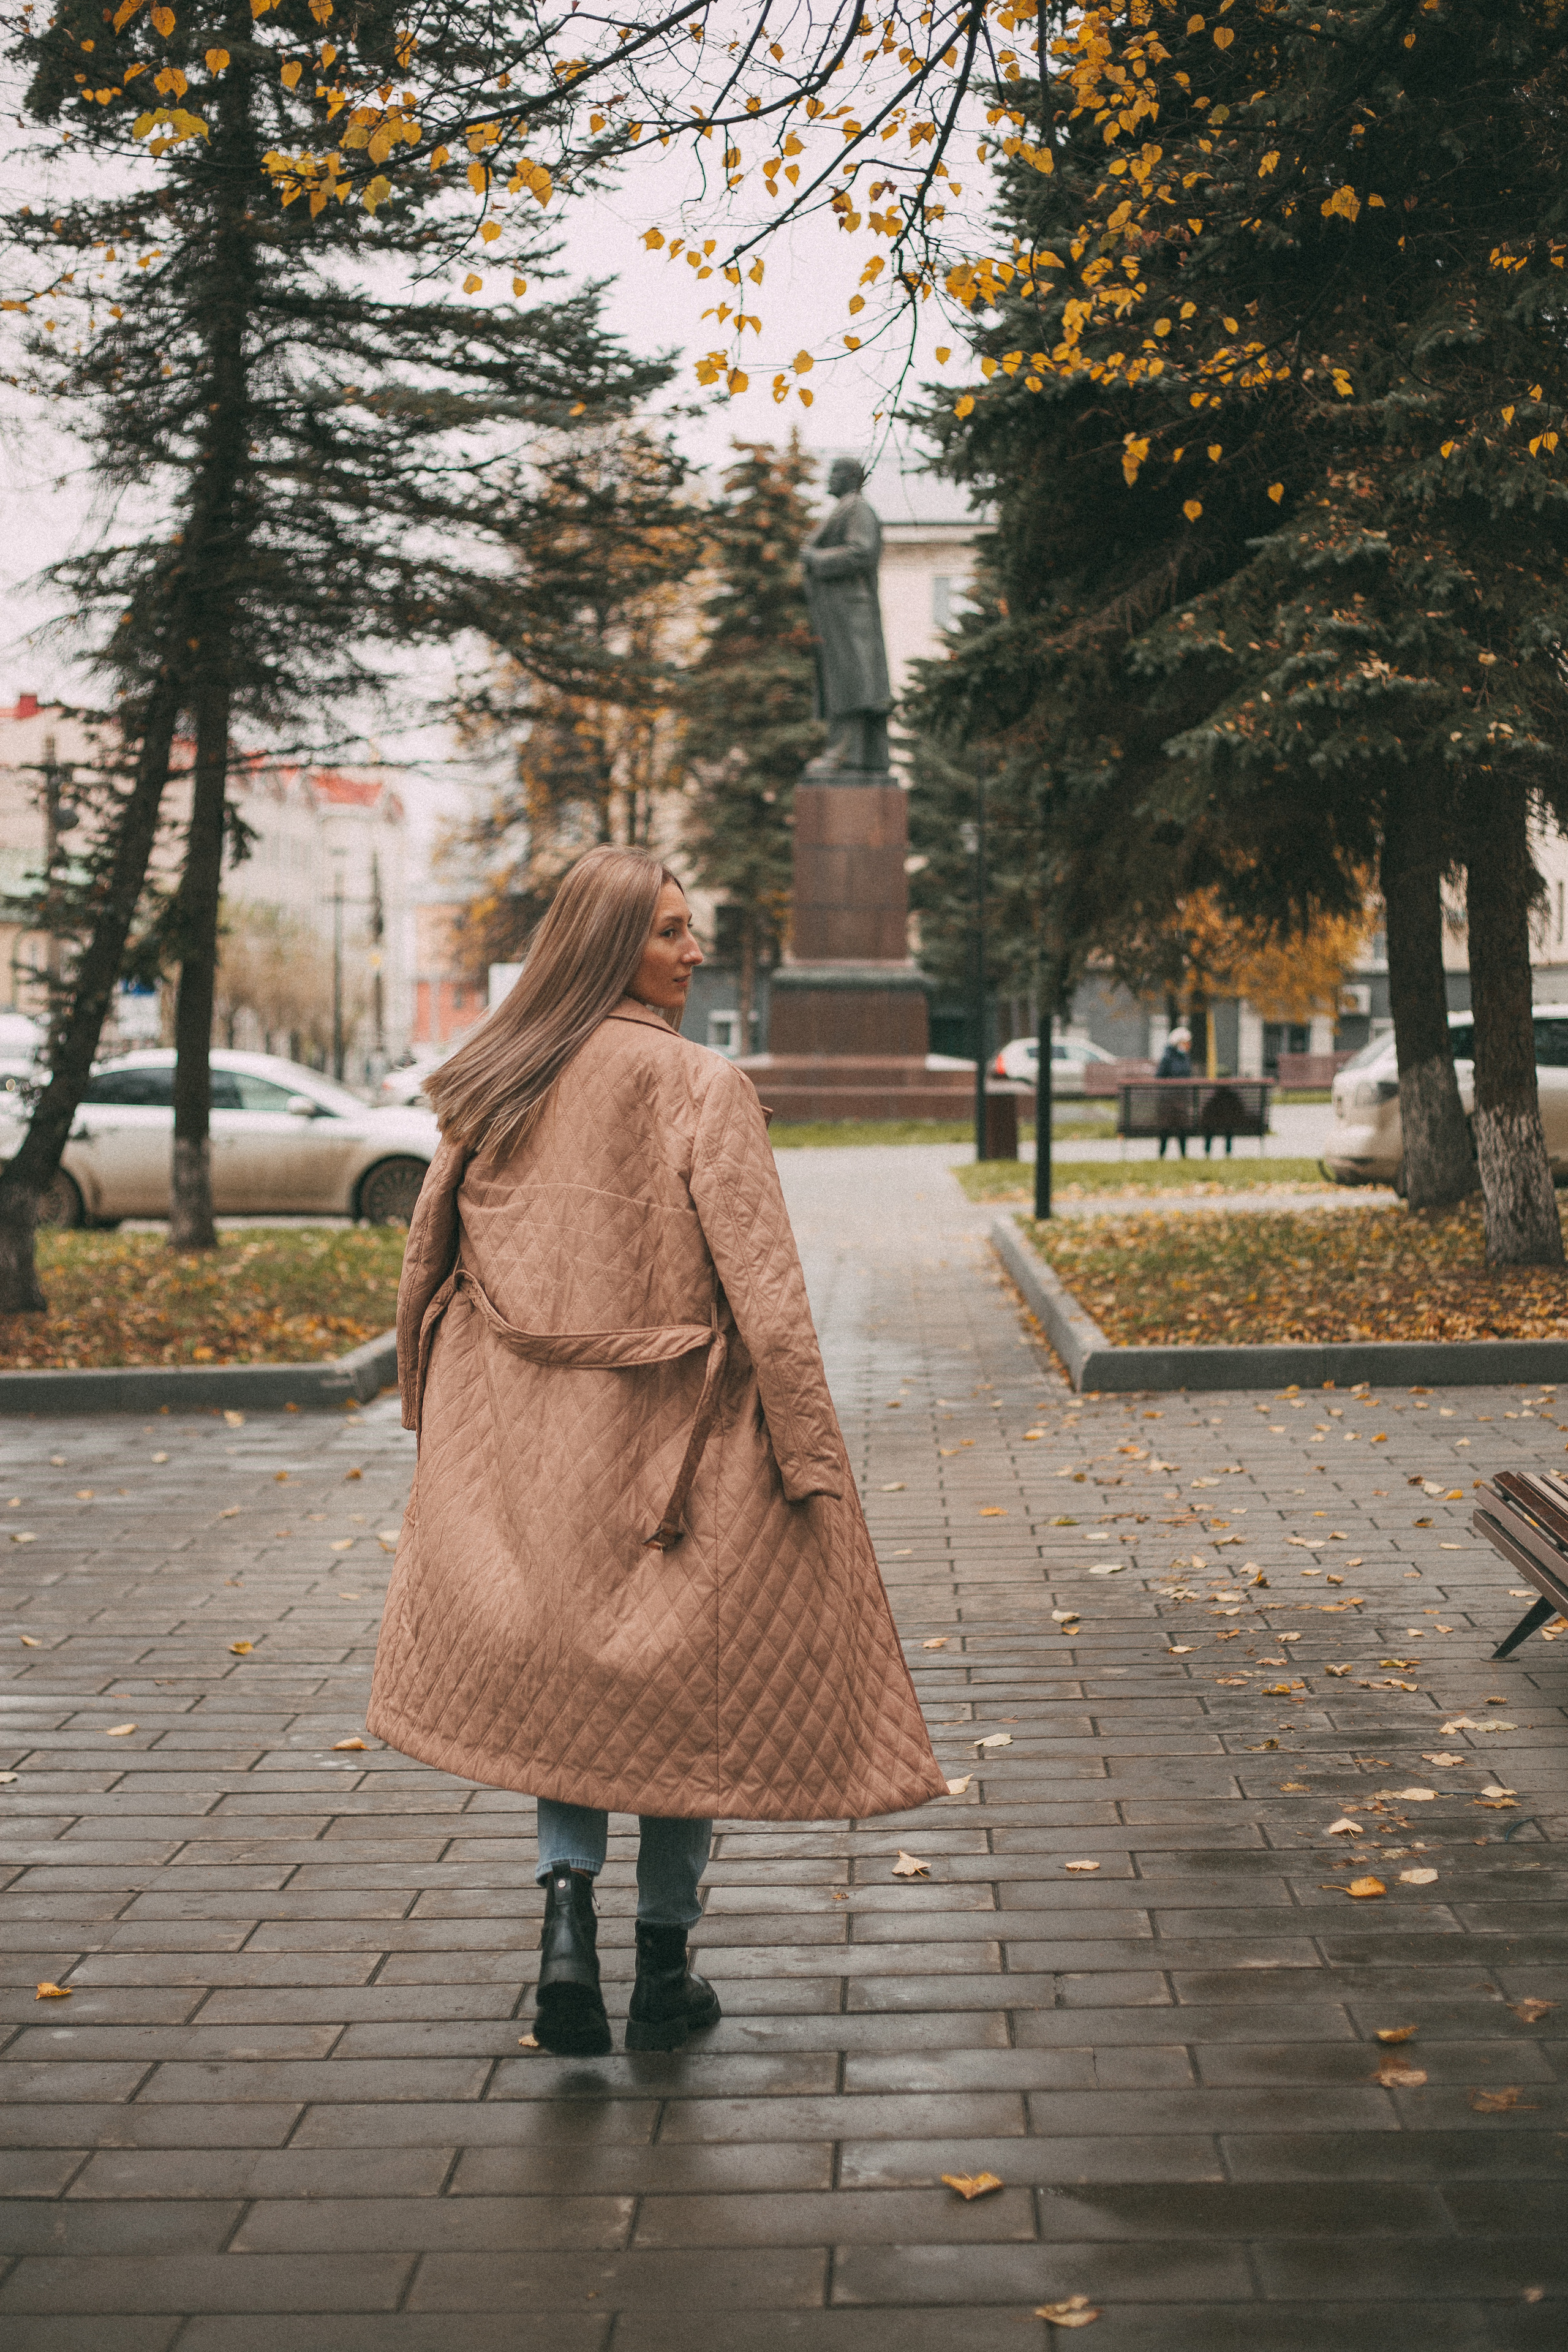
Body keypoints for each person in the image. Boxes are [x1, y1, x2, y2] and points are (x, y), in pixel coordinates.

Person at [367, 848, 946, 2058]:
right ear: (607, 947)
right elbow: (768, 1295)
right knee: (695, 1696)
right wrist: (807, 1455)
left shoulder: (502, 1083)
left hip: (532, 1447)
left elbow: (429, 1268)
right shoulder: (699, 1086)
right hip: (682, 1441)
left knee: (569, 1681)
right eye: (671, 933)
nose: (692, 954)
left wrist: (437, 1402)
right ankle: (662, 1968)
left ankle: (562, 1929)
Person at [1155, 1023, 1193, 1158]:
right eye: (1186, 1042)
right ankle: (1163, 1153)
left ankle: (1182, 1154)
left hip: (1179, 1100)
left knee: (1180, 1125)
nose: (1189, 1045)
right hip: (1169, 1101)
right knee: (1168, 1126)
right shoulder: (1169, 1058)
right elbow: (1160, 1077)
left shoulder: (1182, 1057)